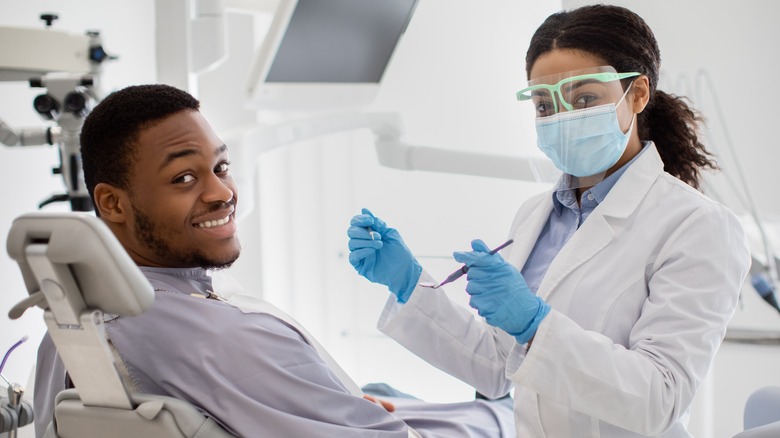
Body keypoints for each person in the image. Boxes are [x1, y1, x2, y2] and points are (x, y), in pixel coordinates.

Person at [347, 4, 751, 437]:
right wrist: (410, 284)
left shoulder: (699, 226)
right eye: (544, 105)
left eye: (584, 99)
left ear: (637, 94)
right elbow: (497, 369)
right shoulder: (534, 217)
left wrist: (536, 326)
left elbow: (660, 398)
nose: (563, 118)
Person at [31, 84, 515, 438]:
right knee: (505, 413)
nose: (222, 193)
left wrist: (340, 404)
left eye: (221, 167)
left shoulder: (74, 330)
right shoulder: (222, 335)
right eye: (183, 178)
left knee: (382, 388)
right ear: (112, 203)